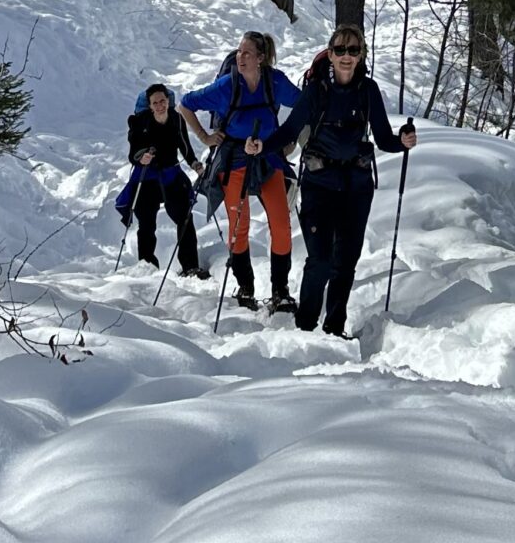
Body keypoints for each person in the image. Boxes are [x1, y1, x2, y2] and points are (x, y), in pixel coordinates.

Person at [272, 26, 416, 336]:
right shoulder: (316, 90)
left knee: (346, 262)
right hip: (319, 183)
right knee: (321, 260)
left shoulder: (368, 90)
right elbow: (289, 130)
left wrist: (402, 142)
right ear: (331, 53)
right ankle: (305, 327)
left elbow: (382, 138)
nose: (346, 56)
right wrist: (261, 145)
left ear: (361, 54)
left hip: (356, 186)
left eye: (353, 50)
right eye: (340, 50)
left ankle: (334, 328)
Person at [180, 31, 302, 313]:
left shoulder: (275, 82)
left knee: (281, 224)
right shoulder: (227, 86)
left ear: (261, 58)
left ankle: (280, 291)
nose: (240, 57)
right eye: (239, 52)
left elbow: (305, 104)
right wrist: (204, 137)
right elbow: (185, 104)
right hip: (234, 158)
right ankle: (245, 286)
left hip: (268, 158)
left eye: (247, 53)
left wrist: (290, 136)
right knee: (238, 226)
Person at [115, 83, 209, 279]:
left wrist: (195, 164)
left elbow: (185, 147)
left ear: (168, 102)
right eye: (155, 102)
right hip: (146, 176)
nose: (159, 106)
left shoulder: (177, 119)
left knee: (184, 218)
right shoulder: (140, 122)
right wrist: (141, 157)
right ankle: (147, 266)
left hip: (171, 174)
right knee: (147, 223)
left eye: (163, 101)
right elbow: (133, 153)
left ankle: (190, 266)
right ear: (149, 105)